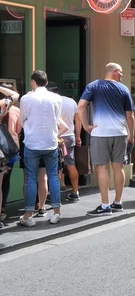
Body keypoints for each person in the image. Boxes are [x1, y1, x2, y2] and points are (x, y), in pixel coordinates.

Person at [78, 63, 135, 216]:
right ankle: (118, 203)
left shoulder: (94, 86)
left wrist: (86, 126)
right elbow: (130, 116)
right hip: (120, 132)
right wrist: (131, 135)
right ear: (114, 72)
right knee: (118, 167)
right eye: (121, 72)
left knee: (102, 168)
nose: (122, 75)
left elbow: (81, 106)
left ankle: (105, 206)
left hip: (100, 132)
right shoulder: (124, 89)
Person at [18, 70, 64, 226]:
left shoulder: (26, 98)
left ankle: (28, 215)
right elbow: (57, 118)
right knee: (52, 177)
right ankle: (56, 212)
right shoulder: (57, 98)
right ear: (46, 81)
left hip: (32, 142)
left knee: (30, 179)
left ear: (33, 82)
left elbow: (22, 119)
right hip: (50, 141)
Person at [47, 82, 82, 201]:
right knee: (71, 165)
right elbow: (78, 121)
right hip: (69, 136)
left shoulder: (50, 101)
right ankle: (75, 192)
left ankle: (53, 195)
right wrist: (78, 136)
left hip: (55, 137)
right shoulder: (71, 101)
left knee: (54, 167)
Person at [0, 84, 20, 229]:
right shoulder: (6, 107)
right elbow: (15, 95)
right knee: (3, 182)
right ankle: (2, 210)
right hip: (8, 149)